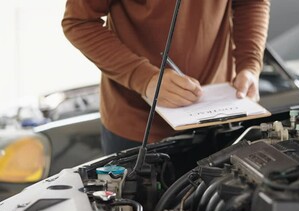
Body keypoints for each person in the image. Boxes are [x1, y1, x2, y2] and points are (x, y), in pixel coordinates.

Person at [62, 0, 270, 155]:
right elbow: (79, 21)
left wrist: (249, 65)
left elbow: (251, 2)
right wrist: (144, 78)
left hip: (220, 118)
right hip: (137, 126)